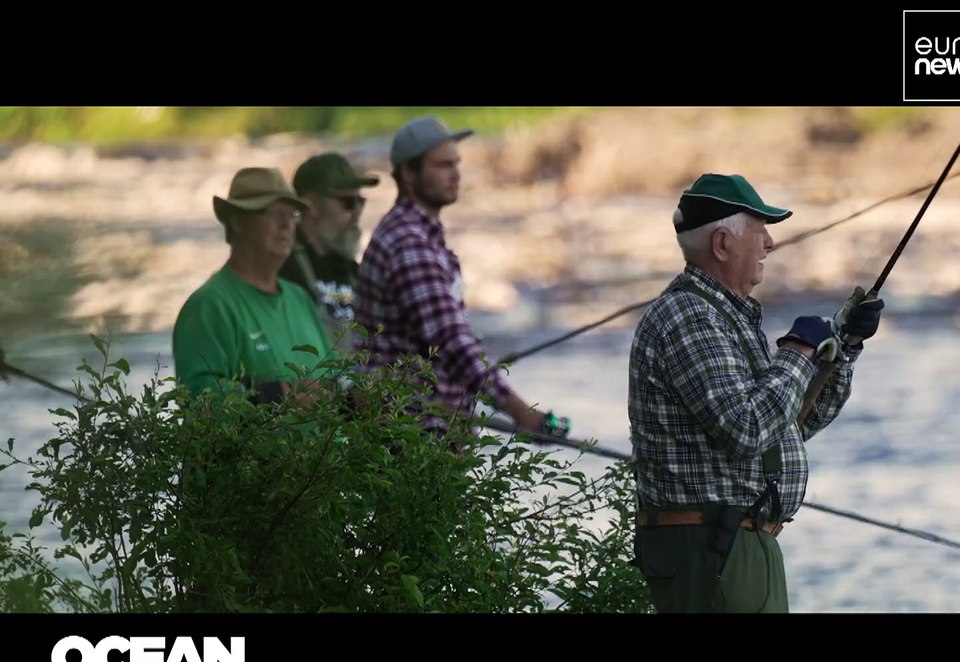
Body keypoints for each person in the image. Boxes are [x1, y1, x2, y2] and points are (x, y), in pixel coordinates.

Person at [626, 172, 885, 613]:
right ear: (722, 244)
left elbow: (789, 424)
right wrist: (798, 351)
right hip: (710, 549)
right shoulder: (689, 317)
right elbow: (747, 429)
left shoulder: (724, 318)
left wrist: (844, 346)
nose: (769, 243)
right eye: (759, 230)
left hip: (735, 546)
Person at [352, 115, 568, 438]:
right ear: (409, 173)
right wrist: (523, 415)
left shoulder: (419, 235)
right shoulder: (408, 244)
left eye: (456, 163)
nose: (455, 174)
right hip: (410, 438)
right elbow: (452, 343)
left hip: (426, 430)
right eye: (443, 165)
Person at [172, 167, 334, 405]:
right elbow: (198, 398)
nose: (286, 225)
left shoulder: (300, 299)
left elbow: (333, 383)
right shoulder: (208, 307)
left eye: (292, 215)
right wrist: (279, 394)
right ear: (238, 222)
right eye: (275, 213)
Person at [279, 152, 380, 353]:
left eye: (361, 202)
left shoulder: (354, 271)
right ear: (312, 205)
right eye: (348, 203)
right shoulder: (284, 268)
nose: (358, 213)